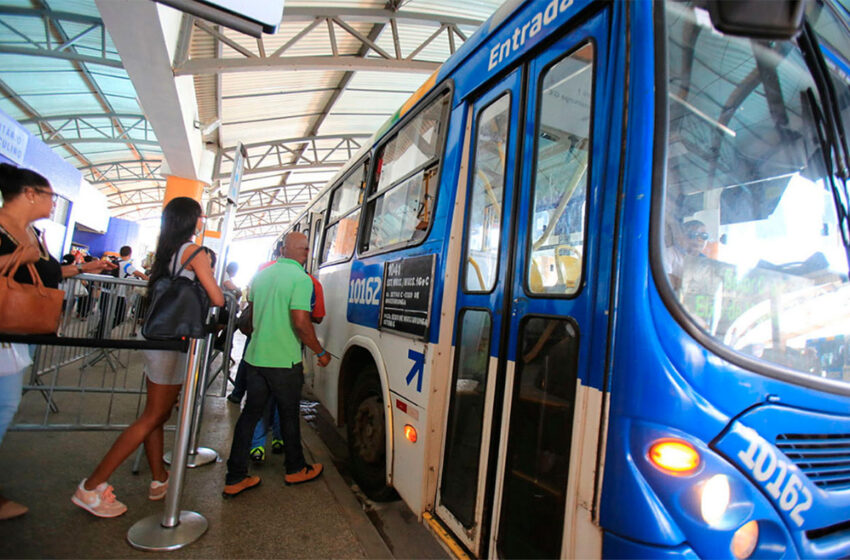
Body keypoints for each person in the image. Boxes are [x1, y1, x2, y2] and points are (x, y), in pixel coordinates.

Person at [72, 196, 224, 518]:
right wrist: (213, 279)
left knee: (156, 412)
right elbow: (217, 297)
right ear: (191, 220)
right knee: (154, 415)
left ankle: (159, 479)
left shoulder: (167, 251)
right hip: (171, 342)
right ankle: (92, 486)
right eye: (200, 216)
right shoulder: (193, 252)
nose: (203, 220)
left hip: (155, 337)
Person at [0, 164, 115, 520]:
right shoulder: (10, 233)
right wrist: (22, 256)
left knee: (6, 406)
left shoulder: (34, 233)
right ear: (30, 193)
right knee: (4, 405)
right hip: (4, 330)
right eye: (51, 196)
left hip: (19, 333)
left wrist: (86, 267)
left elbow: (50, 272)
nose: (53, 204)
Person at [223, 232, 331, 496]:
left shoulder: (261, 275)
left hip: (256, 359)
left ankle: (235, 477)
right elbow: (301, 322)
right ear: (304, 252)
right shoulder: (301, 280)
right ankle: (295, 469)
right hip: (284, 361)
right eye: (305, 248)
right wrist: (320, 352)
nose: (306, 252)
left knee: (250, 415)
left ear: (283, 250)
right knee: (289, 415)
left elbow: (255, 309)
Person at [249, 258, 325, 463]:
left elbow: (250, 312)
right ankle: (279, 442)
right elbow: (314, 318)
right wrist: (320, 352)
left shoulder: (261, 273)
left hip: (257, 354)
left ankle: (256, 447)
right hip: (286, 356)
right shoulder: (307, 280)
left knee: (257, 406)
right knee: (286, 407)